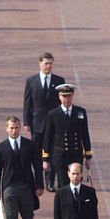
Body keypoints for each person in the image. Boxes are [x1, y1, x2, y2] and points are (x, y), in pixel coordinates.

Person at [0, 115, 44, 219]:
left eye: (16, 128)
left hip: (26, 187)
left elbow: (37, 166)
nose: (14, 131)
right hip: (9, 187)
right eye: (11, 128)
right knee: (11, 218)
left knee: (28, 217)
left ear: (20, 128)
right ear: (7, 128)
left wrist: (39, 185)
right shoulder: (0, 148)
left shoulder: (30, 145)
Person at [22, 52, 65, 192]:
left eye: (51, 63)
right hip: (37, 123)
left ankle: (50, 181)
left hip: (53, 124)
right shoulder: (31, 81)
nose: (48, 66)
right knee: (37, 153)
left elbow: (62, 103)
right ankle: (38, 181)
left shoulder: (59, 81)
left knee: (52, 153)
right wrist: (27, 122)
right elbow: (27, 102)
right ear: (40, 64)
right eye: (46, 63)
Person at [42, 84, 92, 190]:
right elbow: (47, 137)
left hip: (75, 153)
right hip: (60, 155)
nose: (67, 99)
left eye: (69, 96)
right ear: (59, 97)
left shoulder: (80, 112)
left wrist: (88, 156)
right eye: (64, 96)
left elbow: (85, 134)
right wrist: (45, 159)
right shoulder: (53, 114)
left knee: (76, 183)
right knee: (63, 184)